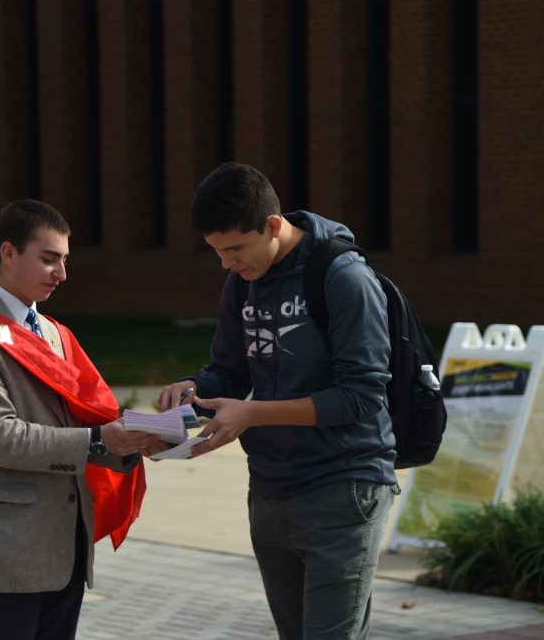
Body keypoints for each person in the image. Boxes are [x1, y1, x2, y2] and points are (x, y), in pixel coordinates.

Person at [158, 162, 400, 640]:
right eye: (217, 253)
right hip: (271, 488)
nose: (227, 264)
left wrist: (251, 414)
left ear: (272, 225)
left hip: (343, 487)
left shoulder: (344, 278)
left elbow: (362, 398)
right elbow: (230, 371)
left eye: (234, 249)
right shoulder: (243, 279)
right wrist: (193, 392)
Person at [0, 199, 162, 640]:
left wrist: (133, 441)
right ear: (8, 252)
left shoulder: (53, 332)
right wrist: (98, 441)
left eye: (64, 260)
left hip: (64, 548)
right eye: (49, 258)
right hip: (6, 555)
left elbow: (87, 417)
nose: (62, 273)